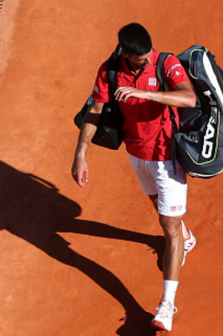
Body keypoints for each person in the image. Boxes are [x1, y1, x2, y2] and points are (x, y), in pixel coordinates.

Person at [71, 23, 197, 332]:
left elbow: (188, 99)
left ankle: (167, 305)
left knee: (167, 227)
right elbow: (96, 111)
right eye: (138, 59)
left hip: (167, 156)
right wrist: (80, 154)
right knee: (159, 207)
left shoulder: (165, 62)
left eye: (146, 56)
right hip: (137, 154)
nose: (145, 60)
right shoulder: (110, 69)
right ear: (125, 54)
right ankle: (186, 236)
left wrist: (145, 93)